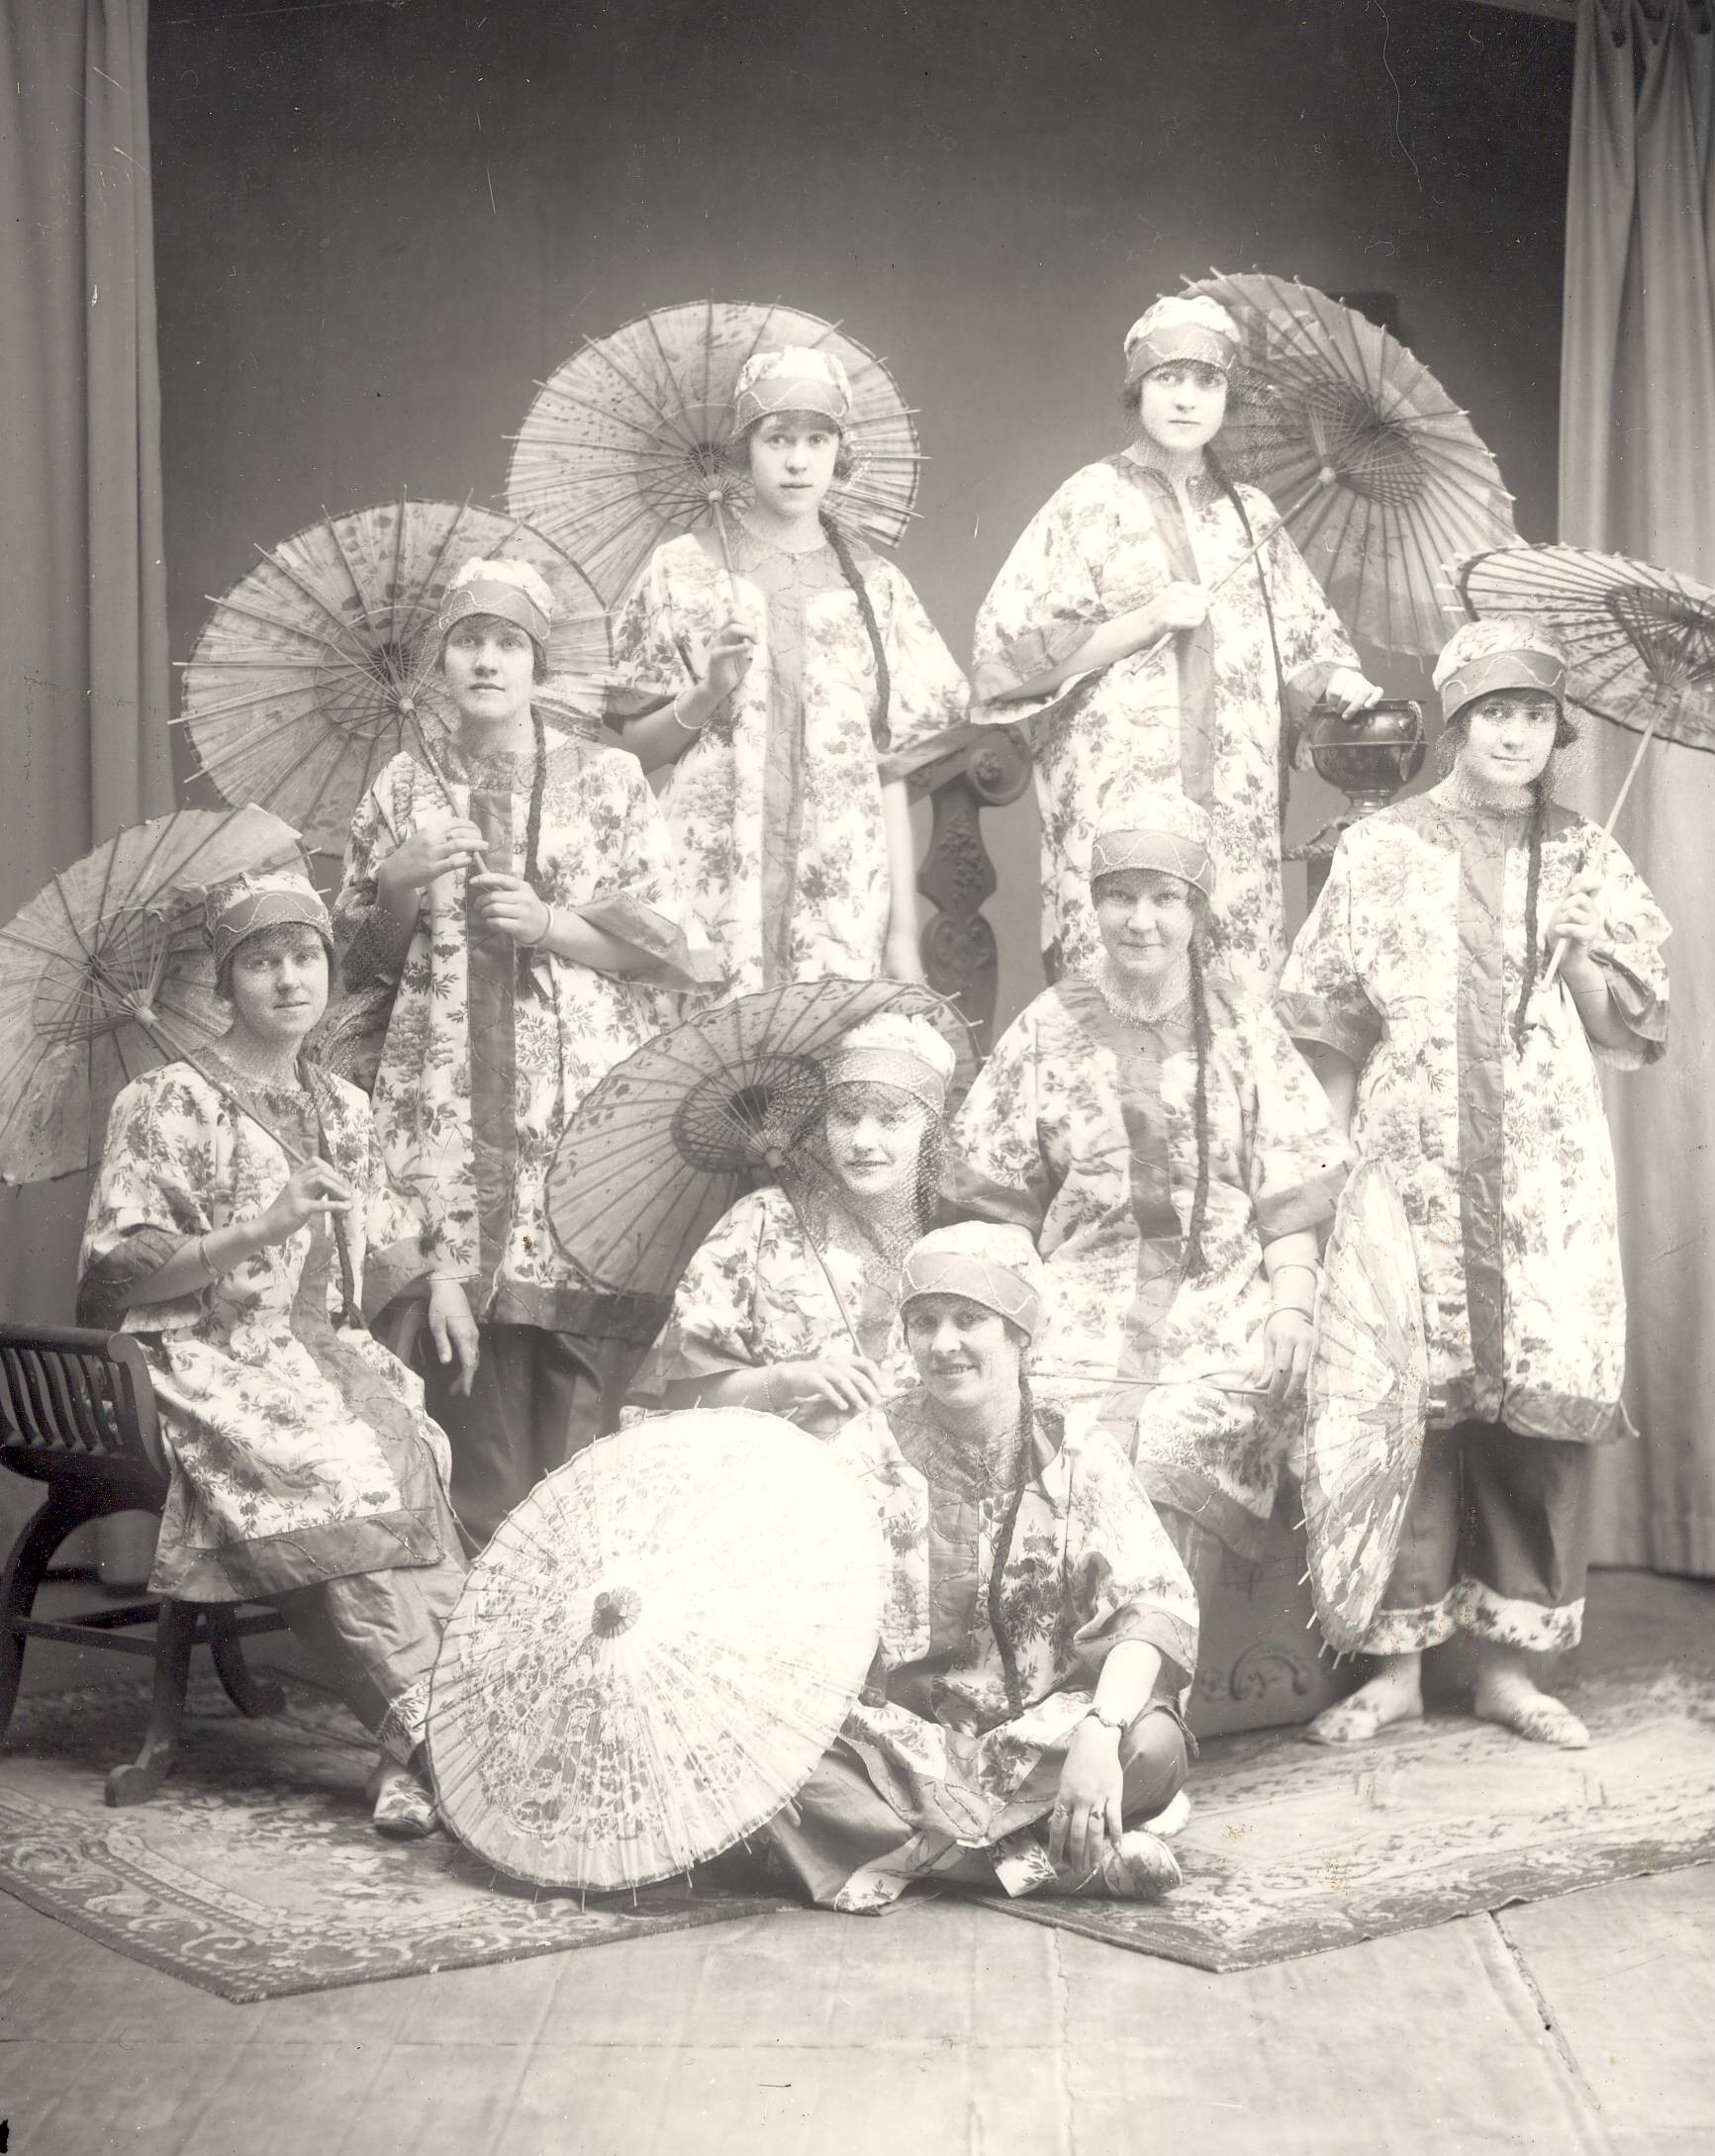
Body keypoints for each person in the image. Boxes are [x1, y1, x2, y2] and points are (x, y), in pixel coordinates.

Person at [1278, 618, 1670, 1749]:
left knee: (1530, 1410)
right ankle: (1393, 1667)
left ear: (1558, 730)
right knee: (1402, 1401)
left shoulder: (1588, 855)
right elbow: (1330, 1028)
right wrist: (1331, 1177)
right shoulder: (1378, 849)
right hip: (1406, 1167)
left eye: (1534, 715)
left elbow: (1614, 1029)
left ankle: (1507, 1668)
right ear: (1456, 722)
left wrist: (1591, 949)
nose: (1514, 734)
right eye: (1492, 712)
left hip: (1541, 1175)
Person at [333, 556, 711, 1549]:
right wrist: (401, 885)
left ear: (537, 664)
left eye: (507, 643)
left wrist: (550, 922)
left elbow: (677, 950)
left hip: (579, 1090)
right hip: (446, 1096)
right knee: (477, 1356)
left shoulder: (610, 776)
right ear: (440, 662)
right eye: (468, 640)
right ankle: (489, 1590)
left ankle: (587, 1577)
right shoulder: (402, 784)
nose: (486, 659)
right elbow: (356, 967)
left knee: (582, 1353)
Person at [76, 872, 463, 1837]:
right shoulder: (163, 1097)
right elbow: (116, 1275)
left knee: (416, 1450)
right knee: (334, 1472)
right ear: (226, 980)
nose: (289, 980)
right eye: (262, 962)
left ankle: (412, 1747)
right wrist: (249, 1234)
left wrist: (440, 1275)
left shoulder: (342, 1106)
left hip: (319, 1352)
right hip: (204, 1355)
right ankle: (432, 1741)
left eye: (305, 958)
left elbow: (370, 1250)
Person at [943, 794, 1351, 1614]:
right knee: (1058, 1426)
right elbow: (994, 1205)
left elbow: (1289, 1186)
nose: (1141, 921)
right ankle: (1053, 1671)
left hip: (1226, 1294)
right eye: (1119, 895)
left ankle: (1151, 1677)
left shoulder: (1240, 1023)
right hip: (1079, 1293)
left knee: (1173, 1429)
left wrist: (1293, 1307)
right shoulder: (1045, 1027)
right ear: (1090, 902)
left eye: (1165, 898)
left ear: (1197, 911)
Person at [768, 1224, 1198, 1915]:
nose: (943, 1345)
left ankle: (928, 1852)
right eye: (923, 1323)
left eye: (969, 1320)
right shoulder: (863, 1451)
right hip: (907, 1742)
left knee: (1149, 1749)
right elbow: (801, 1607)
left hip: (1043, 1734)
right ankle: (1048, 1869)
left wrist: (1100, 1730)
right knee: (785, 1772)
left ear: (1020, 1336)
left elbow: (1151, 1603)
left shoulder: (1073, 1450)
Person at [970, 293, 1382, 992]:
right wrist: (1145, 620)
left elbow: (1303, 647)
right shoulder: (1089, 500)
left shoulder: (1253, 516)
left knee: (1232, 989)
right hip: (1117, 785)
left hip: (1234, 796)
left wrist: (1335, 682)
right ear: (1136, 390)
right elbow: (1005, 662)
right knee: (1120, 976)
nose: (1187, 399)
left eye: (1206, 381)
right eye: (1168, 379)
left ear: (1226, 395)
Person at [609, 344, 969, 994]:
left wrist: (901, 935)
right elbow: (634, 750)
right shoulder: (681, 569)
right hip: (704, 876)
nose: (798, 460)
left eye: (816, 439)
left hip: (839, 891)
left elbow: (890, 770)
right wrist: (708, 691)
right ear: (747, 447)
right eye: (777, 439)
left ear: (841, 450)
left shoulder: (876, 588)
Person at [631, 1012, 954, 1438]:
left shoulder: (952, 1249)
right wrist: (791, 1380)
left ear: (929, 1131)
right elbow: (678, 1394)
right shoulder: (764, 1220)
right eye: (845, 1115)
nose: (861, 1140)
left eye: (890, 1119)